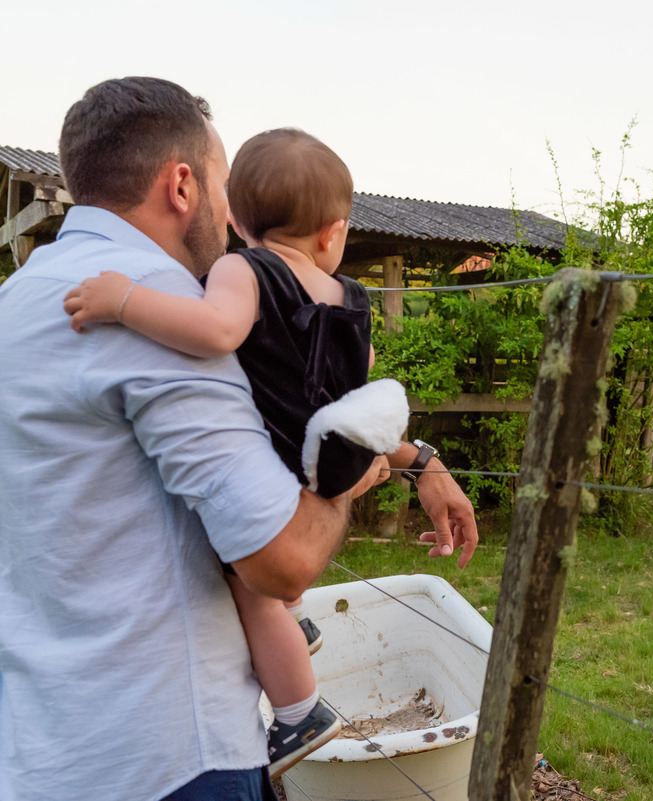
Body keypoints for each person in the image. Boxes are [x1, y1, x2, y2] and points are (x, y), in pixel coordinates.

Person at [0, 77, 475, 801]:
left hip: (38, 752)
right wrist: (347, 474)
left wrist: (416, 459)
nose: (233, 215)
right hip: (168, 757)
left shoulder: (17, 303)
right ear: (183, 185)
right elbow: (283, 560)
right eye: (226, 186)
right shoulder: (156, 316)